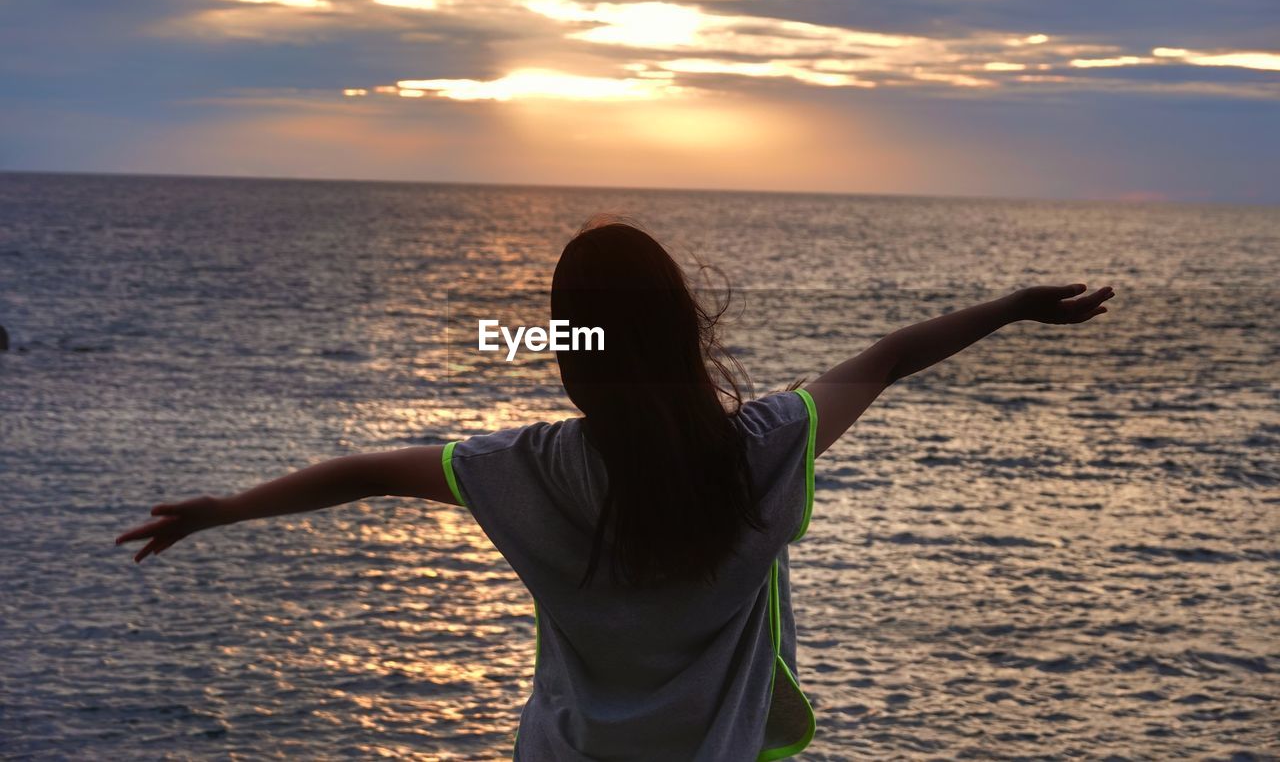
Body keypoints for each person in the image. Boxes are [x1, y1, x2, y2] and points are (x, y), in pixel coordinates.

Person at [116, 218, 1114, 760]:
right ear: (684, 330)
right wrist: (1016, 307)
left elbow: (374, 466)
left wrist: (226, 508)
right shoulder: (758, 449)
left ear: (569, 350)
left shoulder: (528, 470)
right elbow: (889, 357)